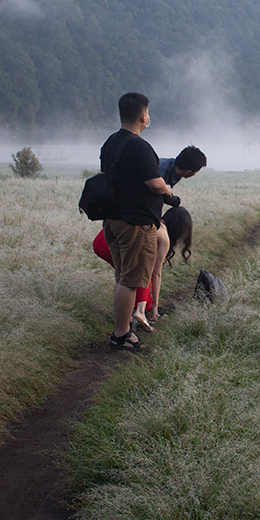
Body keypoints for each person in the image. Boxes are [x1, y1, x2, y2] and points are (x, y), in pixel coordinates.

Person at [100, 92, 174, 351]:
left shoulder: (110, 143)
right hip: (135, 224)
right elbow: (153, 183)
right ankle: (121, 334)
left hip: (113, 220)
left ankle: (121, 330)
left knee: (123, 277)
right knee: (130, 280)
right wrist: (167, 190)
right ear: (143, 116)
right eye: (148, 113)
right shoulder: (140, 146)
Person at [92, 206, 193, 330]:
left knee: (124, 279)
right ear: (180, 230)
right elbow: (156, 274)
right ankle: (141, 312)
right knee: (140, 275)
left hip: (102, 241)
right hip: (115, 242)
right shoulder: (164, 235)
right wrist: (155, 306)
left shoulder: (152, 220)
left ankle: (129, 315)